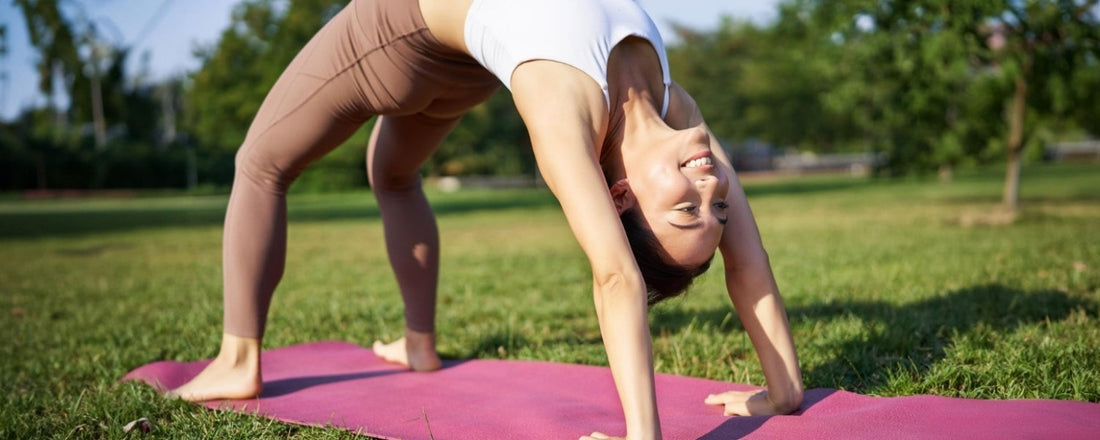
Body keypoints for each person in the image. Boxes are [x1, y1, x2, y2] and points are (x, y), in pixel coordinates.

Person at [169, 0, 804, 438]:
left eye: (686, 206)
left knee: (259, 164)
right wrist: (783, 391)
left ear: (620, 197)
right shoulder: (676, 108)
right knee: (391, 174)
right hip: (463, 57)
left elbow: (616, 276)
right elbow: (746, 259)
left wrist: (643, 434)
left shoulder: (566, 110)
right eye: (713, 204)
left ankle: (238, 358)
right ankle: (417, 344)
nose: (710, 182)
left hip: (402, 28)